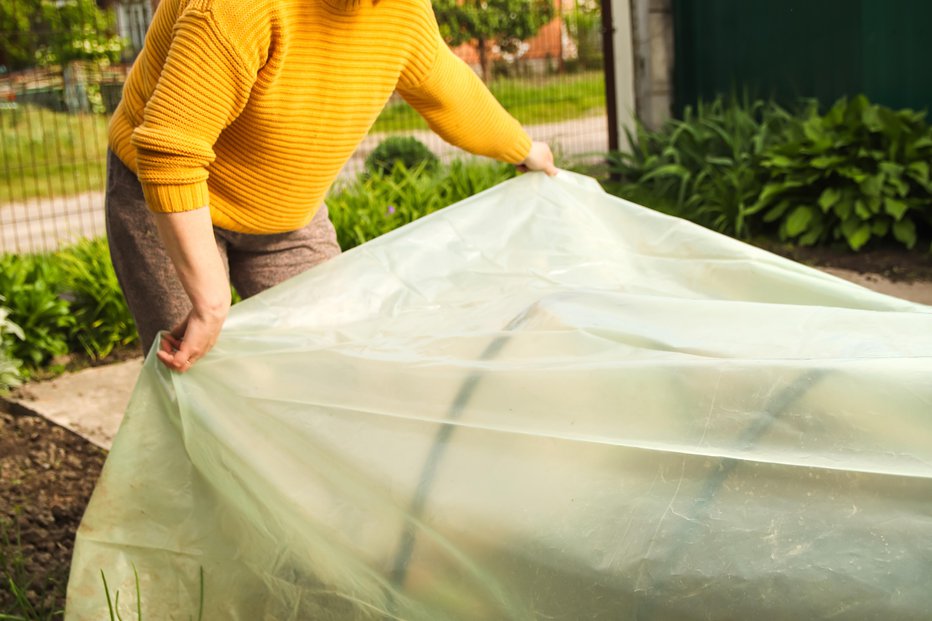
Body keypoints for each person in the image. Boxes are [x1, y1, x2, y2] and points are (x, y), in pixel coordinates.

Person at [106, 0, 558, 374]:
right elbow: (171, 152)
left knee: (330, 362)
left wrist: (522, 148)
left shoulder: (403, 12)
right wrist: (210, 300)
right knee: (195, 373)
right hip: (170, 205)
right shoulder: (237, 8)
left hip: (286, 217)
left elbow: (448, 88)